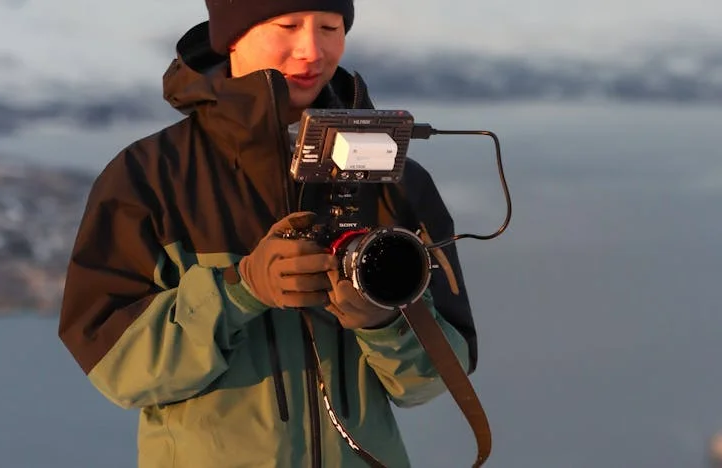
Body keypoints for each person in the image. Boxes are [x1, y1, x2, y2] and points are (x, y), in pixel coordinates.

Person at [58, 1, 479, 467]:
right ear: (231, 36)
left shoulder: (394, 181)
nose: (312, 50)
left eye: (329, 27)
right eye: (288, 25)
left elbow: (436, 378)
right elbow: (120, 370)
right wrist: (238, 289)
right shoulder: (150, 179)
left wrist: (383, 323)